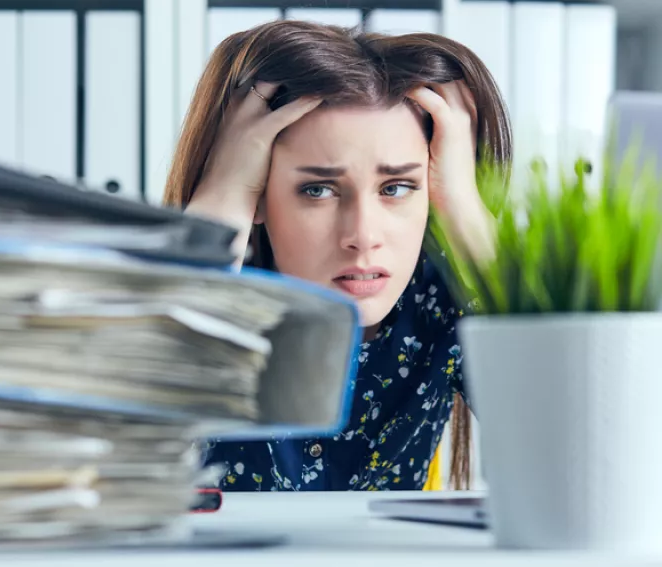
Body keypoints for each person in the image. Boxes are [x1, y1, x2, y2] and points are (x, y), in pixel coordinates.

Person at [163, 20, 511, 492]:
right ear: (259, 191)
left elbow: (575, 439)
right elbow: (114, 430)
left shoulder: (444, 296)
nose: (363, 236)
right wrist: (225, 194)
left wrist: (465, 208)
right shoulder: (218, 289)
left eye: (397, 187)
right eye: (318, 190)